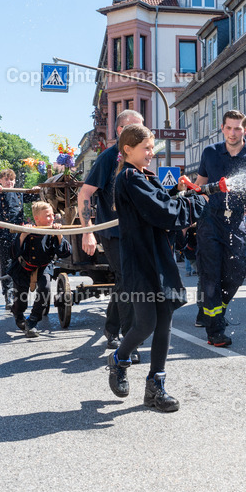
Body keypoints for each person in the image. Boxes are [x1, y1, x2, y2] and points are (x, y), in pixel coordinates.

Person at [106, 124, 207, 412]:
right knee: (146, 323)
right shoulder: (129, 178)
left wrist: (179, 191)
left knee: (165, 321)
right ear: (128, 149)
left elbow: (162, 201)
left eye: (152, 148)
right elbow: (163, 213)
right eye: (146, 148)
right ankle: (119, 359)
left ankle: (155, 387)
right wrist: (199, 202)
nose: (152, 153)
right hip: (140, 261)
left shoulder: (141, 177)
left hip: (158, 257)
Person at [194, 110, 246, 347]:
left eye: (237, 128)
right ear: (222, 128)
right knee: (210, 275)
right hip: (210, 220)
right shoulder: (210, 153)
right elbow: (199, 185)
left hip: (238, 221)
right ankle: (215, 330)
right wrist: (190, 195)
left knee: (236, 273)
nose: (233, 133)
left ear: (245, 130)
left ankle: (212, 311)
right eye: (228, 128)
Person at [77, 108, 144, 348]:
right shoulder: (108, 157)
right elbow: (85, 193)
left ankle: (111, 327)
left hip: (137, 232)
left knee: (125, 281)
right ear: (120, 131)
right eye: (136, 127)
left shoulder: (140, 156)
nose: (142, 132)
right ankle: (129, 340)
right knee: (127, 279)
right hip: (114, 233)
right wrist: (88, 231)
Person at [6, 201, 72, 338]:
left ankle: (33, 320)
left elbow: (65, 253)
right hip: (23, 268)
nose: (52, 218)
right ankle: (19, 316)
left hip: (43, 267)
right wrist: (23, 234)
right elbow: (12, 253)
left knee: (45, 288)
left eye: (52, 215)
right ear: (37, 219)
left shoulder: (53, 231)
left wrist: (59, 235)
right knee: (20, 301)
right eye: (47, 216)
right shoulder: (26, 230)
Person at [0, 169, 40, 310]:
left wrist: (36, 190)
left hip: (19, 232)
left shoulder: (19, 192)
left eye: (11, 179)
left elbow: (35, 196)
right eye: (6, 179)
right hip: (4, 232)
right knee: (6, 263)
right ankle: (8, 294)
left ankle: (21, 291)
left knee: (23, 260)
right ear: (0, 181)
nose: (9, 182)